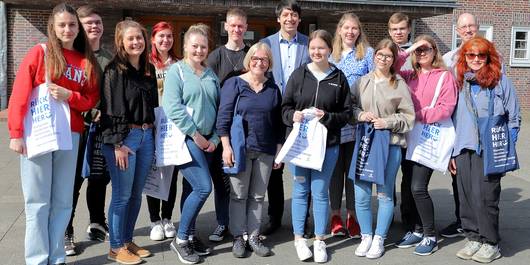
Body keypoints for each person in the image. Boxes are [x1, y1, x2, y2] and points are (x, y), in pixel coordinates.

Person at [8, 3, 99, 264]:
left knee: (61, 202)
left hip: (70, 136)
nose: (68, 29)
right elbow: (20, 94)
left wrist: (72, 96)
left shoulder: (85, 60)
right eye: (62, 25)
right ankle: (38, 259)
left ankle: (56, 257)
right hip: (38, 134)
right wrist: (16, 133)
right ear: (53, 27)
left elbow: (91, 98)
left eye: (72, 24)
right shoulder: (41, 53)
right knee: (37, 202)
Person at [282, 29, 351, 263]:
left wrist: (327, 117)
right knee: (300, 191)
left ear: (330, 50)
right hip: (300, 146)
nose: (317, 52)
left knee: (320, 193)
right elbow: (284, 107)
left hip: (327, 146)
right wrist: (293, 115)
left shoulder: (338, 78)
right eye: (313, 48)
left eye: (321, 48)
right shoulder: (298, 75)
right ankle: (299, 238)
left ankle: (320, 240)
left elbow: (347, 113)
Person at [450, 36, 520, 263]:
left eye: (481, 55)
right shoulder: (459, 81)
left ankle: (491, 242)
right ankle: (474, 237)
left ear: (489, 57)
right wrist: (451, 152)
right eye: (471, 55)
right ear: (464, 57)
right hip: (463, 147)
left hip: (490, 149)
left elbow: (514, 117)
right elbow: (452, 118)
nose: (476, 59)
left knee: (486, 197)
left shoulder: (500, 81)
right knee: (467, 196)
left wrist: (505, 147)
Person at [217, 42, 283, 258]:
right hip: (239, 149)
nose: (259, 62)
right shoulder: (235, 84)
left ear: (269, 63)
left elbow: (278, 122)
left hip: (265, 150)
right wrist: (226, 147)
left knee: (257, 196)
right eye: (255, 58)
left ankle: (253, 237)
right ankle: (238, 237)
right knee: (238, 195)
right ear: (249, 60)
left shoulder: (273, 88)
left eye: (264, 59)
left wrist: (279, 150)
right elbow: (223, 117)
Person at [393, 35, 458, 256]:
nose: (422, 53)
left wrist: (416, 115)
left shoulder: (444, 76)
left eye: (426, 49)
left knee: (418, 188)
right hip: (409, 138)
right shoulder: (409, 75)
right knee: (410, 186)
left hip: (428, 138)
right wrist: (410, 48)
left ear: (435, 51)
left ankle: (431, 234)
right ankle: (418, 230)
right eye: (418, 50)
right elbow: (391, 65)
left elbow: (446, 107)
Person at [351, 38, 415, 259]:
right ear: (374, 55)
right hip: (365, 144)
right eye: (380, 54)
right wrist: (360, 114)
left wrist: (386, 122)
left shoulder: (398, 84)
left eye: (388, 56)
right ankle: (366, 236)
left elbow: (409, 116)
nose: (383, 59)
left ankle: (379, 238)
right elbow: (349, 106)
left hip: (390, 146)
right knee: (361, 193)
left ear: (393, 59)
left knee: (385, 194)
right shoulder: (362, 82)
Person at [100, 20, 157, 265]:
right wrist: (117, 144)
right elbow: (111, 110)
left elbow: (153, 105)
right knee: (122, 195)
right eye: (131, 38)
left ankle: (126, 240)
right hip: (124, 139)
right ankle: (114, 247)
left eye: (140, 38)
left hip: (146, 137)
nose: (136, 42)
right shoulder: (114, 70)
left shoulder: (148, 69)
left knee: (136, 195)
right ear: (121, 42)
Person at [163, 23, 219, 265]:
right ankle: (181, 239)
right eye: (194, 46)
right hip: (187, 140)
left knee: (190, 189)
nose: (199, 50)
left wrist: (215, 139)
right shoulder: (177, 71)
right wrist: (196, 135)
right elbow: (172, 106)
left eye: (203, 46)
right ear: (185, 46)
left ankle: (192, 234)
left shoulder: (210, 74)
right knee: (203, 187)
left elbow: (219, 109)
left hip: (208, 141)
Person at [64, 5, 113, 256]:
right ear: (80, 27)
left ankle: (97, 222)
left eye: (98, 22)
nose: (94, 26)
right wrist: (88, 113)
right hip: (77, 129)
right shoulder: (74, 57)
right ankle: (66, 230)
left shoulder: (109, 57)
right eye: (89, 23)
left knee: (99, 179)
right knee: (72, 182)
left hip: (102, 130)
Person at [260, 0, 311, 236]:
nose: (290, 19)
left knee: (303, 165)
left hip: (299, 114)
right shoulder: (265, 44)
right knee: (275, 168)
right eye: (286, 15)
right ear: (278, 18)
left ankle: (304, 218)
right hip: (273, 113)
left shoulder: (309, 44)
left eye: (294, 15)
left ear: (299, 19)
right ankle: (274, 217)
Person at [205, 8, 249, 242]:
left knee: (241, 182)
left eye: (241, 25)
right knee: (221, 180)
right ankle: (223, 223)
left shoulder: (252, 55)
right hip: (220, 128)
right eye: (233, 25)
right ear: (226, 27)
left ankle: (241, 226)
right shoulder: (215, 57)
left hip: (244, 129)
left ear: (246, 27)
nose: (237, 29)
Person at [328, 12, 373, 238]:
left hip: (358, 121)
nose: (350, 32)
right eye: (346, 27)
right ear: (339, 30)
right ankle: (335, 215)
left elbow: (377, 82)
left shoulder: (367, 55)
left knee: (353, 170)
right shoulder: (330, 55)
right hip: (334, 122)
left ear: (359, 31)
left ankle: (352, 215)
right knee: (335, 171)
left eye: (354, 28)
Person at [440, 12, 479, 238]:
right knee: (459, 176)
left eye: (471, 25)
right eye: (463, 27)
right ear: (457, 31)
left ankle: (481, 222)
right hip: (457, 126)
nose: (467, 30)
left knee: (482, 180)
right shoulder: (449, 59)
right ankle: (461, 220)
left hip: (481, 127)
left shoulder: (491, 54)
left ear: (478, 27)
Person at [146, 21, 181, 242]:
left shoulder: (178, 64)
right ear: (153, 39)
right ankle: (154, 220)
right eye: (161, 36)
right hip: (151, 125)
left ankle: (167, 217)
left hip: (173, 126)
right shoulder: (146, 63)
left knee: (171, 174)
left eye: (169, 36)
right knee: (153, 172)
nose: (165, 40)